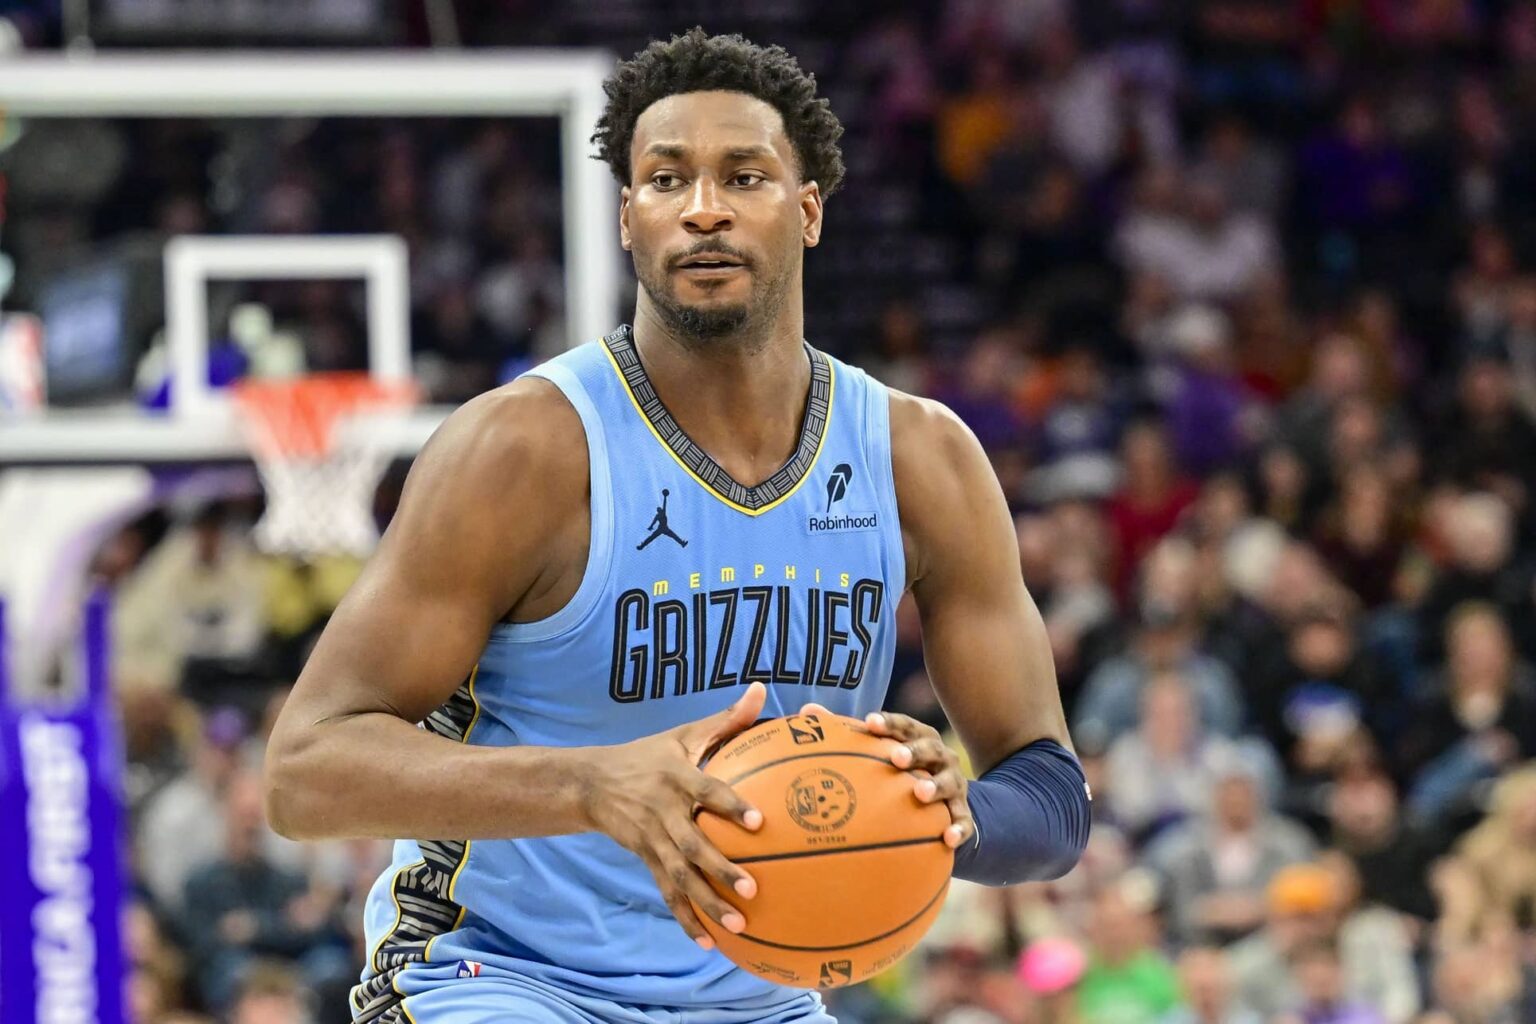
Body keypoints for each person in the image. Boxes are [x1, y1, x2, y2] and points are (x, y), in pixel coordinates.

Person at [263, 29, 1090, 1024]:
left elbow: (1050, 795)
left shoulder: (921, 459)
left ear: (809, 210)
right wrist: (589, 787)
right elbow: (305, 771)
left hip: (763, 996)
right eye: (667, 179)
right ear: (627, 217)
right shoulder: (523, 451)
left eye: (745, 175)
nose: (704, 208)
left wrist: (953, 812)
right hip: (497, 980)